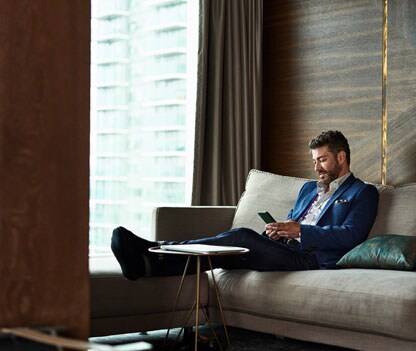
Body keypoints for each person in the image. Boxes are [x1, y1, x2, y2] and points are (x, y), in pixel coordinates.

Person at [111, 130, 379, 280]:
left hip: (310, 258)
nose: (315, 166)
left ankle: (156, 248)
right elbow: (291, 219)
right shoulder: (308, 188)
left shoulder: (362, 192)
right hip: (283, 247)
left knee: (240, 237)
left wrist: (299, 231)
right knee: (231, 252)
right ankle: (149, 264)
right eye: (314, 160)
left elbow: (351, 235)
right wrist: (277, 230)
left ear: (341, 157)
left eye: (321, 160)